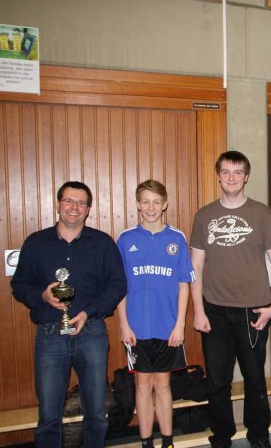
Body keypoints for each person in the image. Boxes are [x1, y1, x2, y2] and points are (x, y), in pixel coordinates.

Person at [11, 181, 127, 448]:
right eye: (69, 201)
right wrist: (42, 296)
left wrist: (88, 312)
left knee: (97, 413)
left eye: (81, 202)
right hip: (50, 334)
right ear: (58, 204)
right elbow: (19, 285)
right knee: (49, 415)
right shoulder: (36, 242)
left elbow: (118, 285)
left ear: (88, 209)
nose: (74, 207)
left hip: (92, 332)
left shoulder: (102, 243)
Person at [190, 151, 271, 448]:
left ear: (246, 177)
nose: (231, 177)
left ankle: (258, 435)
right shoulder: (204, 216)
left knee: (254, 378)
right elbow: (195, 267)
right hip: (214, 311)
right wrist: (198, 311)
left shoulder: (262, 214)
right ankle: (221, 435)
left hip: (253, 311)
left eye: (238, 172)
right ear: (218, 176)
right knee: (217, 380)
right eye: (226, 171)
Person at [116, 180, 195, 448]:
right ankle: (146, 442)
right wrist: (124, 324)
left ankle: (168, 441)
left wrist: (180, 324)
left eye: (156, 202)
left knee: (162, 383)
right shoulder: (126, 239)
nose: (151, 207)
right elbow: (120, 286)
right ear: (138, 205)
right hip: (137, 328)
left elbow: (184, 283)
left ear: (165, 204)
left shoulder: (177, 238)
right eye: (145, 202)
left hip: (167, 327)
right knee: (142, 385)